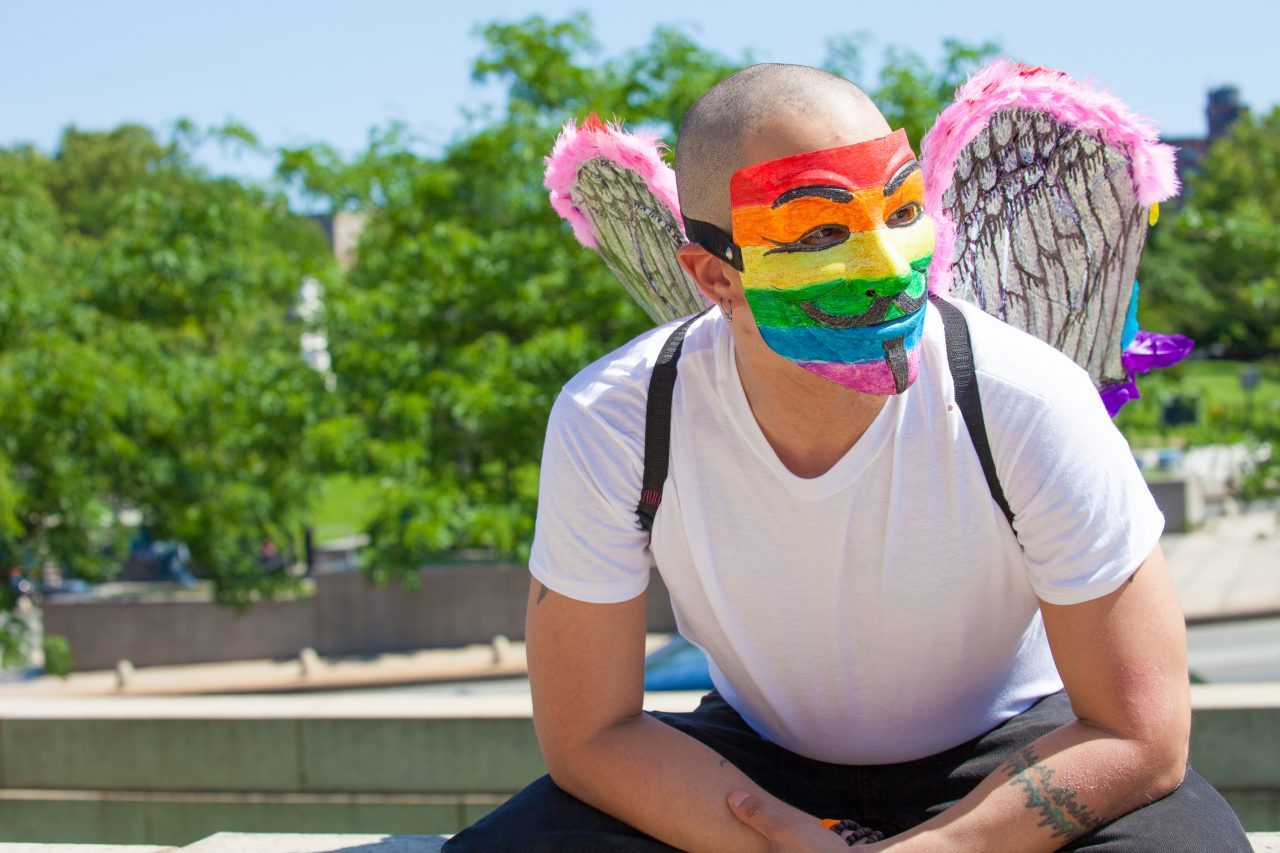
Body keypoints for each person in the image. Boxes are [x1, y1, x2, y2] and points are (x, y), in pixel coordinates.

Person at [444, 64, 1249, 851]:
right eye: (822, 232)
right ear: (714, 275)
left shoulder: (1025, 396)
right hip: (754, 758)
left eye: (903, 210)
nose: (893, 266)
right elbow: (590, 732)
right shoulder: (618, 417)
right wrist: (777, 841)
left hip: (1014, 748)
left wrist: (943, 847)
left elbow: (1139, 731)